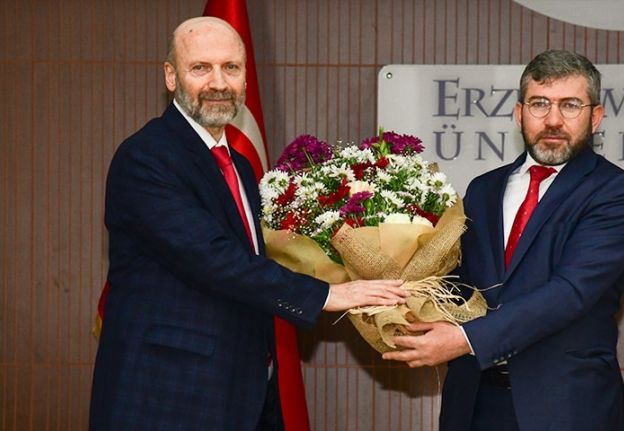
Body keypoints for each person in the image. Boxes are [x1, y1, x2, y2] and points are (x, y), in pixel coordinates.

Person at [89, 16, 407, 431]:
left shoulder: (238, 165)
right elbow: (211, 257)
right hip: (165, 394)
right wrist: (326, 294)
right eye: (200, 68)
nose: (218, 83)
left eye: (231, 67)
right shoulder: (146, 157)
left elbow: (251, 261)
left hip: (240, 388)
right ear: (171, 76)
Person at [383, 49, 624, 431]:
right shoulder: (483, 189)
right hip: (473, 403)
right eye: (540, 104)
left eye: (570, 105)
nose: (553, 120)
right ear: (519, 113)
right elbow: (460, 286)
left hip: (566, 407)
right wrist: (394, 296)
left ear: (595, 116)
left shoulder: (617, 192)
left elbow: (570, 292)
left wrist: (466, 340)